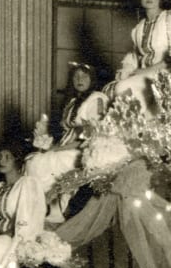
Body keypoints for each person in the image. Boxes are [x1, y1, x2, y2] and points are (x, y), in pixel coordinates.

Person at [26, 62, 110, 220]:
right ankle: (40, 206)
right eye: (76, 76)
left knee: (41, 162)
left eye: (84, 76)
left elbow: (92, 136)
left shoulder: (97, 99)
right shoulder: (72, 103)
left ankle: (51, 208)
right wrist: (48, 143)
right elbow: (64, 134)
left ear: (92, 78)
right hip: (66, 147)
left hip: (84, 151)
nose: (80, 79)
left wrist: (56, 149)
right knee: (33, 160)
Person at [109, 0, 171, 105]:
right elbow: (134, 59)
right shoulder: (138, 29)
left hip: (168, 76)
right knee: (118, 88)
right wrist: (127, 71)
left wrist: (148, 70)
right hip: (146, 78)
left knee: (123, 88)